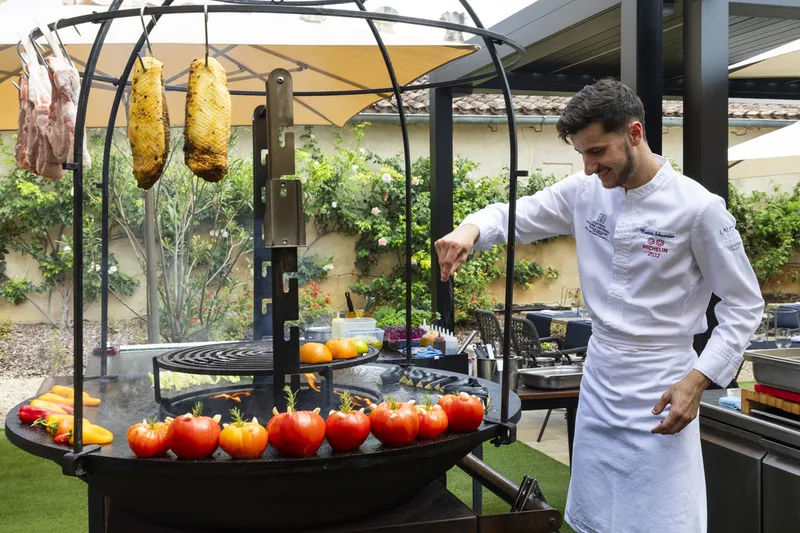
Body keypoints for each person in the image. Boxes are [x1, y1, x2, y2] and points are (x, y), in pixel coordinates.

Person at [434, 78, 764, 533]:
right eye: (582, 154)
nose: (589, 167)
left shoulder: (699, 209)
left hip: (662, 387)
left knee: (661, 520)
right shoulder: (584, 192)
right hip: (600, 380)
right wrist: (469, 229)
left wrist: (698, 380)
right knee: (597, 517)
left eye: (597, 152)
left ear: (634, 133)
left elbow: (744, 304)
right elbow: (512, 215)